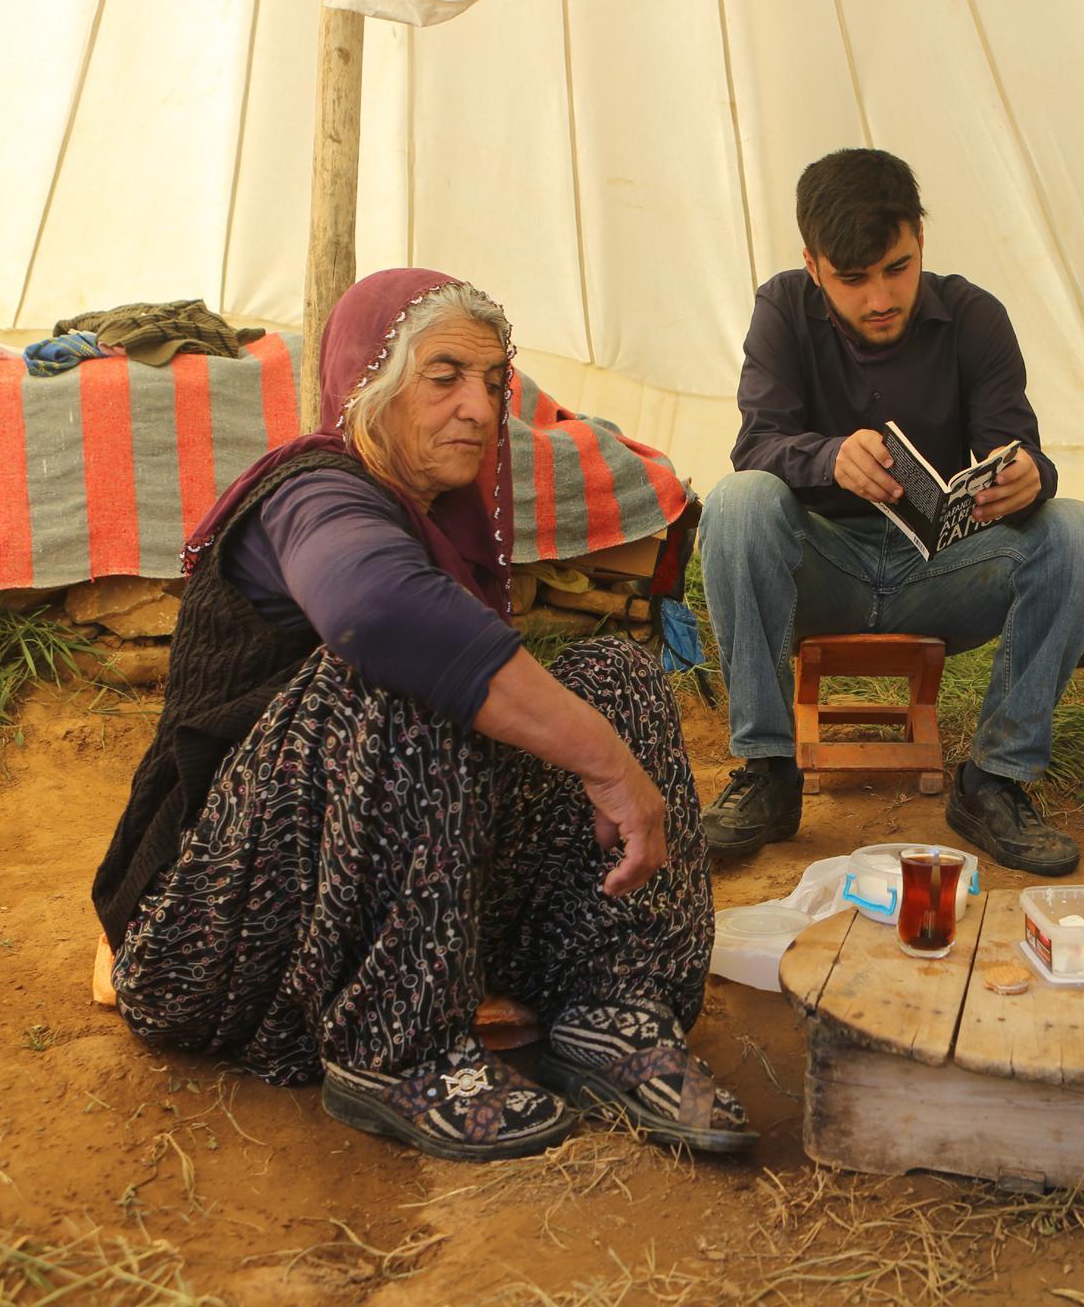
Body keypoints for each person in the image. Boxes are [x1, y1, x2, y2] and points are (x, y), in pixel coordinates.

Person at [91, 270, 755, 1162]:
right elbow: (378, 612)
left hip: (353, 903)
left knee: (616, 675)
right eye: (444, 376)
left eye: (493, 383)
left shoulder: (438, 520)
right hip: (212, 937)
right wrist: (604, 762)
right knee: (412, 671)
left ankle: (611, 1007)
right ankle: (393, 1051)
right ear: (369, 379)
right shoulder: (311, 493)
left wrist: (606, 734)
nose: (479, 408)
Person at [695, 149, 1084, 875]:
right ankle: (767, 774)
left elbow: (1017, 449)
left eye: (898, 266)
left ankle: (995, 780)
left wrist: (1029, 474)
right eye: (852, 280)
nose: (881, 297)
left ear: (921, 237)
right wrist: (827, 459)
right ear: (812, 263)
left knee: (1083, 531)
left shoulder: (977, 317)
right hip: (820, 569)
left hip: (945, 575)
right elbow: (755, 444)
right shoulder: (782, 309)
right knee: (738, 502)